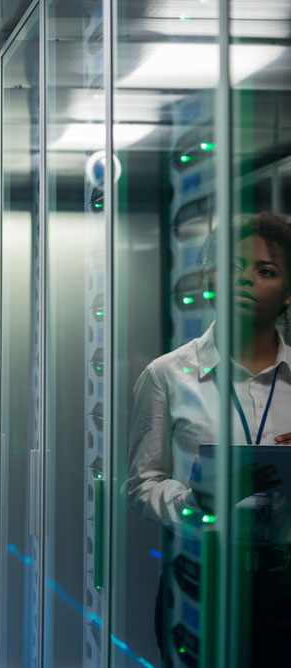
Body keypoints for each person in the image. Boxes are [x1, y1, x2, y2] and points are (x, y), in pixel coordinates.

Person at [126, 211, 291, 665]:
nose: (244, 280)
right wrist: (199, 502)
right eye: (233, 267)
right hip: (201, 579)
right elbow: (140, 487)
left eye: (265, 271)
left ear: (288, 294)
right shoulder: (168, 374)